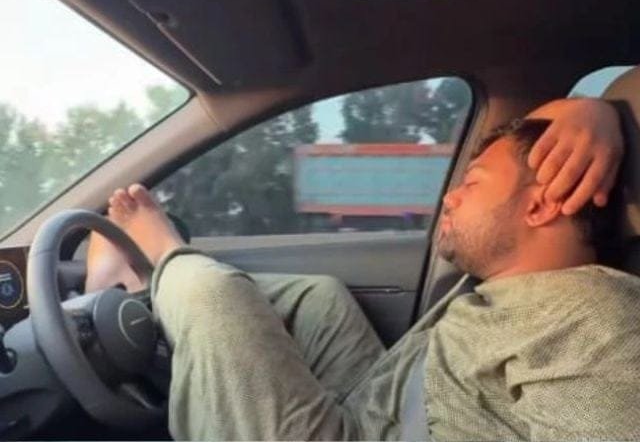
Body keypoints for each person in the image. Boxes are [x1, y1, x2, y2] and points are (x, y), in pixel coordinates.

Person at [87, 97, 632, 440]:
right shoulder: (512, 282)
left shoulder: (597, 322)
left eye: (472, 183)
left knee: (211, 293)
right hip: (384, 407)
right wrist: (595, 111)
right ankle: (146, 291)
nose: (449, 198)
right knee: (318, 299)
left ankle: (161, 261)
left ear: (539, 206)